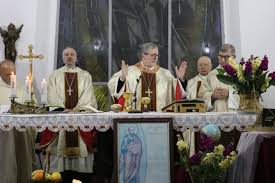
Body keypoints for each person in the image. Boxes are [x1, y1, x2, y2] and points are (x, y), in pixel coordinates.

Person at [40, 47, 98, 182]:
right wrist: (62, 109)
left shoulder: (85, 75)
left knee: (81, 169)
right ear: (62, 58)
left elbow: (88, 96)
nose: (69, 57)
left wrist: (77, 109)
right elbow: (51, 95)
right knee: (60, 168)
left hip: (79, 120)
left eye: (72, 54)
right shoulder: (54, 75)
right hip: (61, 119)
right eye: (66, 54)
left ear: (77, 58)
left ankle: (81, 177)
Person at [108, 42, 188, 112]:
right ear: (143, 55)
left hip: (160, 117)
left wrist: (181, 79)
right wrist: (122, 79)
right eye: (152, 55)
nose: (155, 57)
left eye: (157, 55)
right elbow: (113, 86)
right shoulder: (130, 71)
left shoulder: (165, 73)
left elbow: (177, 93)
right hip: (135, 117)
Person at [0, 59, 35, 183]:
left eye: (13, 73)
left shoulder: (22, 87)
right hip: (3, 134)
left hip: (22, 132)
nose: (11, 77)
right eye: (7, 74)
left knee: (21, 160)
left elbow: (32, 107)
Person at [198, 44, 239, 112]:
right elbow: (201, 96)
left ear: (233, 57)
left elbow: (248, 96)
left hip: (236, 116)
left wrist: (229, 94)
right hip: (215, 116)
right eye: (220, 56)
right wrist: (212, 96)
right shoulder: (211, 75)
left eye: (226, 57)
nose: (222, 60)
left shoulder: (240, 74)